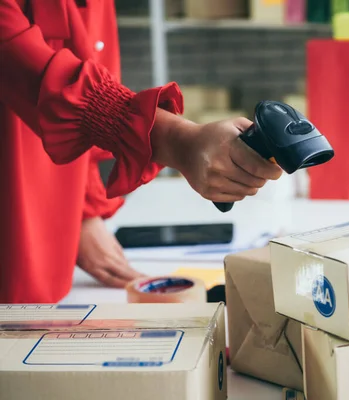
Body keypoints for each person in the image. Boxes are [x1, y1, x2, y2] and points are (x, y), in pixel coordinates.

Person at [0, 0, 283, 303]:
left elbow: (85, 66)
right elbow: (20, 59)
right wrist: (174, 138)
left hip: (54, 235)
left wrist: (84, 211)